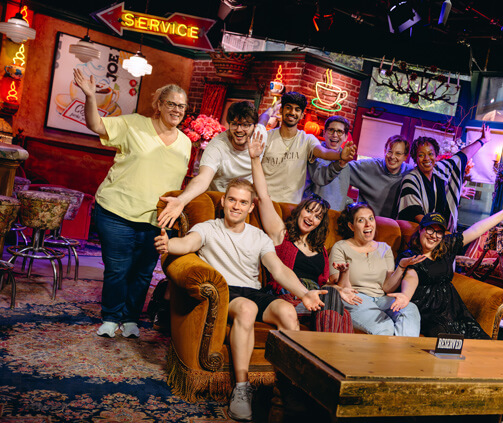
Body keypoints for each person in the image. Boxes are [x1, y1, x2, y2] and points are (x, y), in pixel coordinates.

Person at [153, 178, 326, 422]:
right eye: (232, 200)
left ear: (250, 207)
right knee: (247, 308)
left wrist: (304, 293)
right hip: (225, 290)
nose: (236, 206)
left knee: (287, 311)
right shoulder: (208, 228)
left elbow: (278, 270)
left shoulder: (259, 237)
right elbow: (188, 243)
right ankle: (241, 389)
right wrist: (169, 244)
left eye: (243, 202)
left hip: (254, 290)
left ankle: (290, 386)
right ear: (223, 201)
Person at [73, 68, 192, 339]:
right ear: (159, 105)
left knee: (143, 273)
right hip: (117, 211)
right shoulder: (133, 124)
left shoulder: (185, 143)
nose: (176, 109)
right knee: (118, 269)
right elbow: (96, 125)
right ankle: (111, 316)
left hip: (156, 220)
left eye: (182, 106)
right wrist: (91, 97)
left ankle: (130, 318)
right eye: (171, 103)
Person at [248, 134, 361, 332]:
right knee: (335, 306)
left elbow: (322, 285)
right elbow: (264, 197)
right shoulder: (281, 234)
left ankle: (326, 353)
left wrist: (340, 289)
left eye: (317, 217)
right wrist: (255, 159)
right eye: (308, 211)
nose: (311, 218)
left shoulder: (320, 250)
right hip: (289, 297)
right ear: (299, 211)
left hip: (316, 300)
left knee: (341, 308)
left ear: (320, 223)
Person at [396, 204, 503, 339]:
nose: (434, 236)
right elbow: (411, 277)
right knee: (448, 342)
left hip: (453, 308)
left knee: (481, 339)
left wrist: (502, 214)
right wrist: (405, 296)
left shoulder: (446, 246)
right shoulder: (410, 256)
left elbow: (476, 229)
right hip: (428, 312)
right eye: (430, 230)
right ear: (420, 230)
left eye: (439, 232)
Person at [156, 101, 268, 229]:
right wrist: (181, 200)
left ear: (254, 126)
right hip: (219, 201)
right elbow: (203, 178)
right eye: (235, 124)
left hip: (245, 201)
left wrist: (272, 110)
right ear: (229, 124)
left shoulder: (260, 136)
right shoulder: (217, 145)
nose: (239, 129)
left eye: (245, 125)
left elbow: (264, 119)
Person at [329, 202, 422, 336]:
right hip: (355, 298)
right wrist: (344, 272)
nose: (368, 224)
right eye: (361, 220)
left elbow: (387, 288)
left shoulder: (385, 248)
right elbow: (341, 287)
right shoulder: (341, 247)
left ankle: (404, 355)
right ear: (351, 226)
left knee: (410, 309)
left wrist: (401, 267)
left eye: (371, 218)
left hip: (381, 298)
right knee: (385, 327)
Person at [260, 92, 356, 204]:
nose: (292, 112)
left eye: (297, 109)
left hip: (291, 206)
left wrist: (340, 156)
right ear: (281, 110)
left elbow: (323, 152)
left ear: (301, 115)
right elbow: (258, 126)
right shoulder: (267, 136)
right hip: (263, 202)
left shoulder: (307, 139)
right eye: (288, 108)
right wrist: (271, 110)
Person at [397, 123, 493, 231]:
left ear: (436, 155)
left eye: (430, 154)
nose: (426, 158)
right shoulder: (410, 180)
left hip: (438, 233)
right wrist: (436, 233)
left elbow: (461, 157)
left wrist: (483, 140)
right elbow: (414, 212)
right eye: (421, 155)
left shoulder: (439, 170)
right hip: (418, 235)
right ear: (415, 157)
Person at [314, 135, 415, 218]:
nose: (392, 157)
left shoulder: (410, 174)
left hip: (392, 229)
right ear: (385, 151)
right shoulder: (368, 167)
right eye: (390, 151)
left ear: (405, 157)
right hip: (364, 224)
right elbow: (340, 170)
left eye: (398, 153)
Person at [305, 115, 354, 211]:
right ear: (324, 133)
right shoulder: (316, 153)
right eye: (331, 130)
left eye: (339, 131)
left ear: (346, 137)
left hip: (334, 218)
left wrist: (351, 206)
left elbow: (338, 194)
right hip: (313, 214)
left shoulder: (346, 162)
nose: (335, 135)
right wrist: (339, 163)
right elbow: (320, 178)